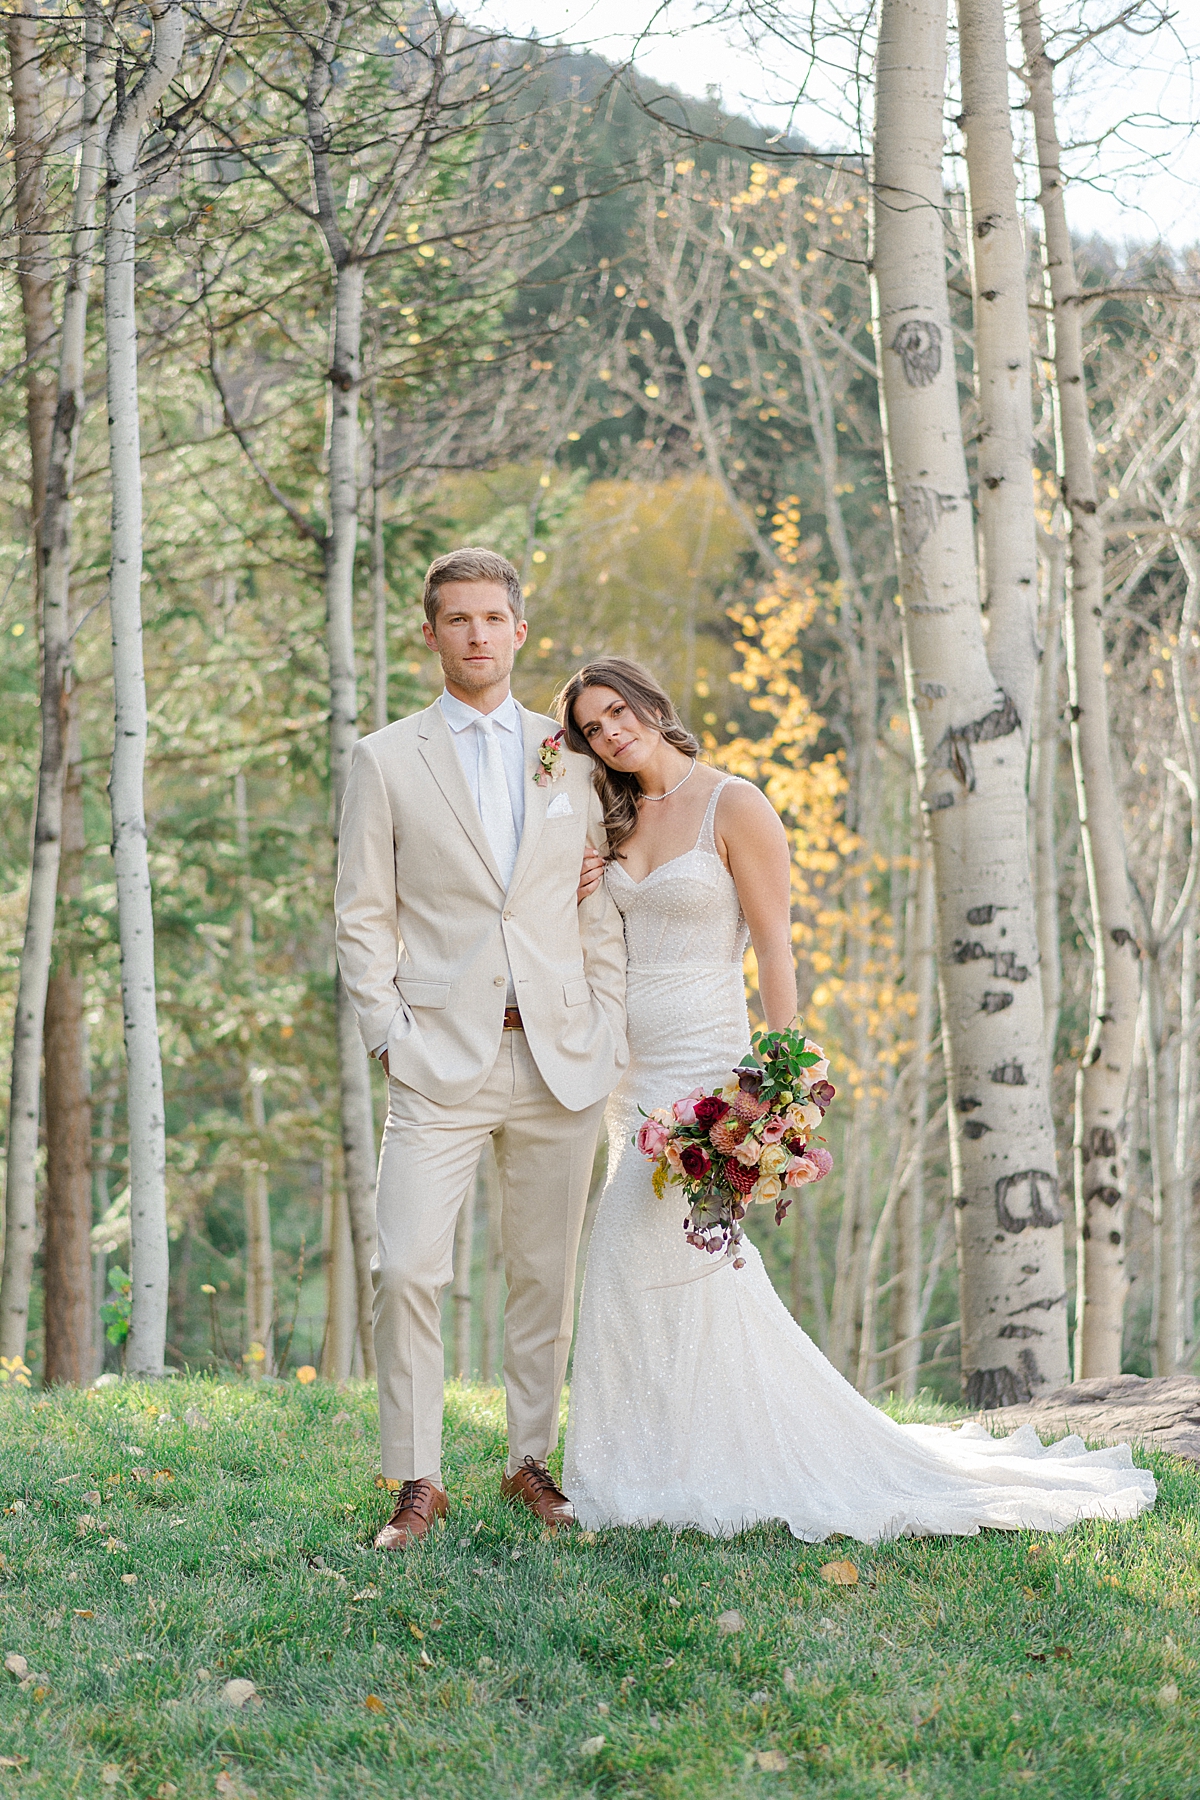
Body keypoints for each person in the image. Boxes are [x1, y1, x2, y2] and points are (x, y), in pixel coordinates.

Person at [559, 656, 1156, 1541]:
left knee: (679, 1254)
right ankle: (639, 1461)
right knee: (628, 1267)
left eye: (618, 712)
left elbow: (774, 949)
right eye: (591, 728)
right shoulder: (608, 820)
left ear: (651, 702)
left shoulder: (735, 804)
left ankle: (716, 1458)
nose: (610, 733)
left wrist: (777, 1077)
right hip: (629, 1078)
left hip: (709, 1072)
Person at [334, 549, 627, 1550]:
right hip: (437, 1062)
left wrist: (606, 1025)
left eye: (492, 619)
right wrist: (388, 1037)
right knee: (408, 1265)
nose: (475, 635)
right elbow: (362, 916)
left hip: (558, 1060)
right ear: (431, 635)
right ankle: (417, 1475)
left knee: (544, 1272)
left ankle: (528, 1462)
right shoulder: (385, 760)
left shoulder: (574, 757)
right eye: (456, 620)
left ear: (519, 632)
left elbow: (599, 912)